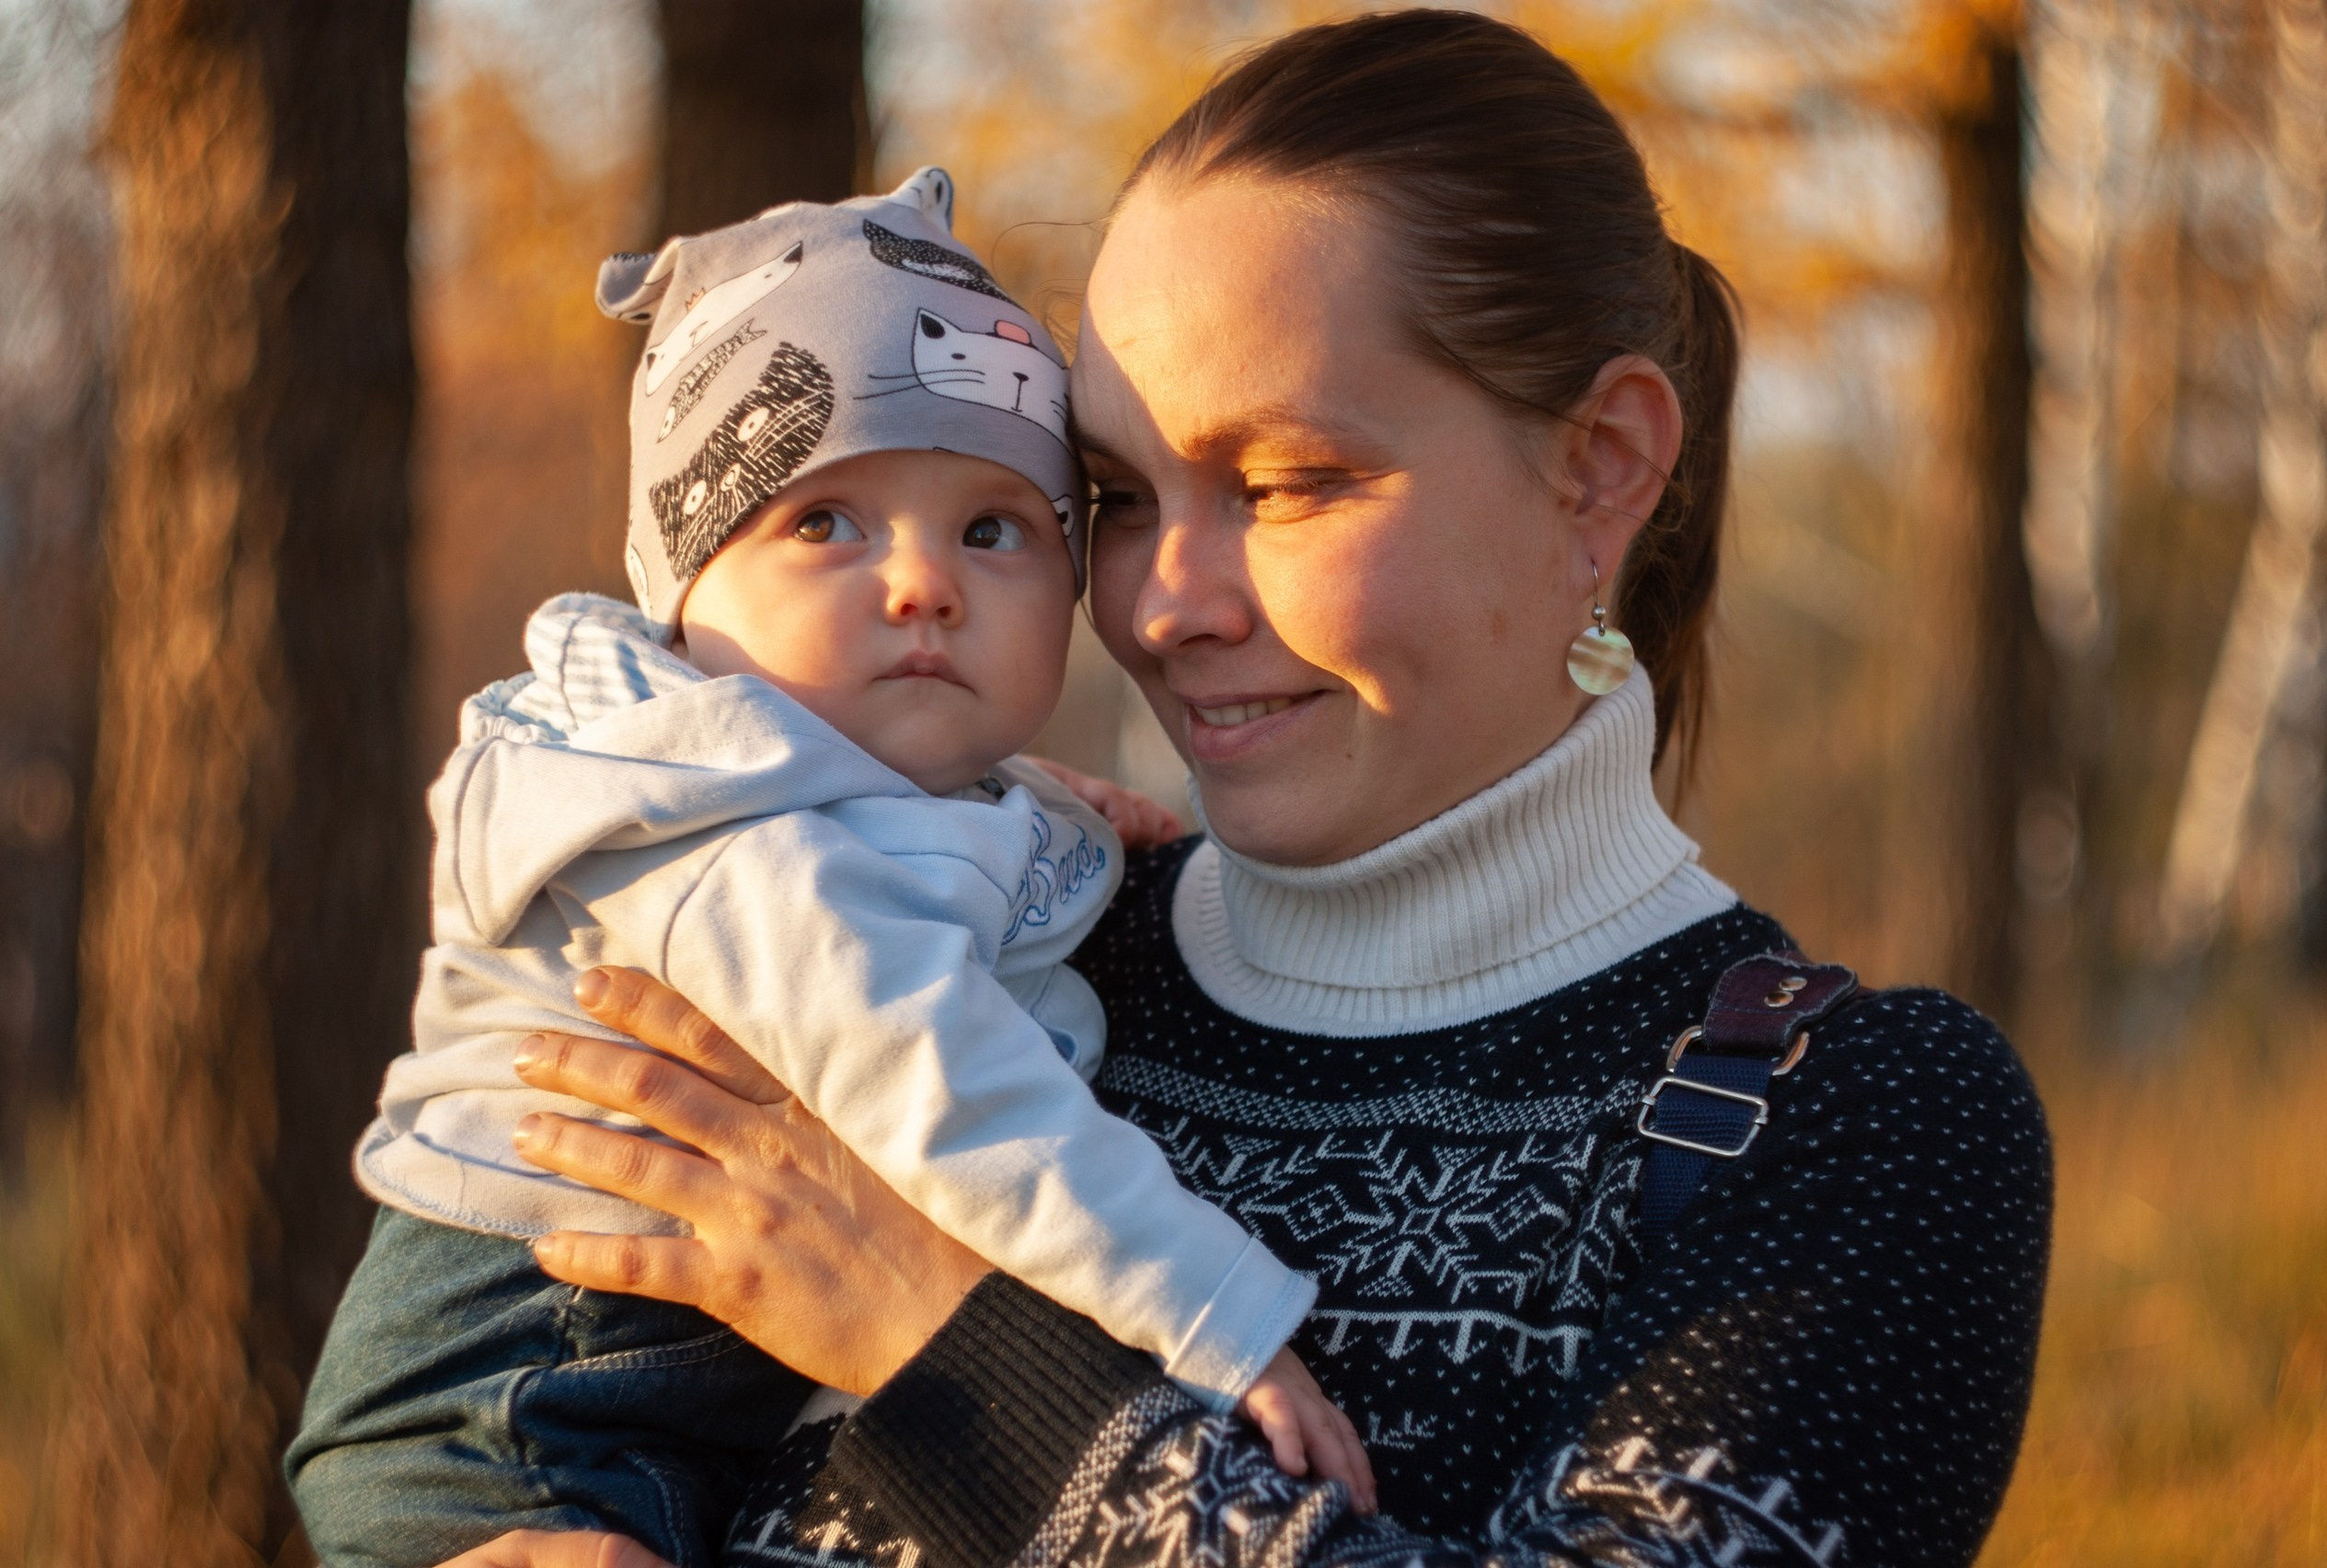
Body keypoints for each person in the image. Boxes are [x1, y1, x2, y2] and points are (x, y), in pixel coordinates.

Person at [431, 12, 2054, 1568]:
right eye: (1119, 499)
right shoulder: (996, 951)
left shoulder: (1852, 1124)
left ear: (1603, 465)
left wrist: (945, 1344)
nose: (1156, 604)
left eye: (1285, 484)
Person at [287, 170, 1375, 1568]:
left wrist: (1038, 806)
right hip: (513, 1409)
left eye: (995, 529)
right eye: (826, 523)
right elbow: (938, 1079)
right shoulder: (696, 826)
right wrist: (1214, 1313)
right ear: (682, 600)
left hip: (661, 1394)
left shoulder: (822, 779)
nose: (925, 583)